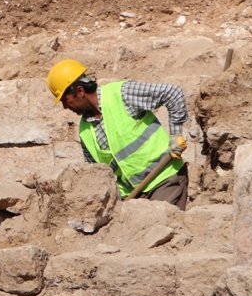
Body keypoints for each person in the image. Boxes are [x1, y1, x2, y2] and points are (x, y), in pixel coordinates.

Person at [46, 59, 190, 209]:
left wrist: (175, 134)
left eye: (65, 99)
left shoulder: (122, 94)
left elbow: (173, 93)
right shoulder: (84, 130)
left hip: (164, 178)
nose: (64, 106)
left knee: (159, 227)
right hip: (132, 196)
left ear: (80, 91)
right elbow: (98, 173)